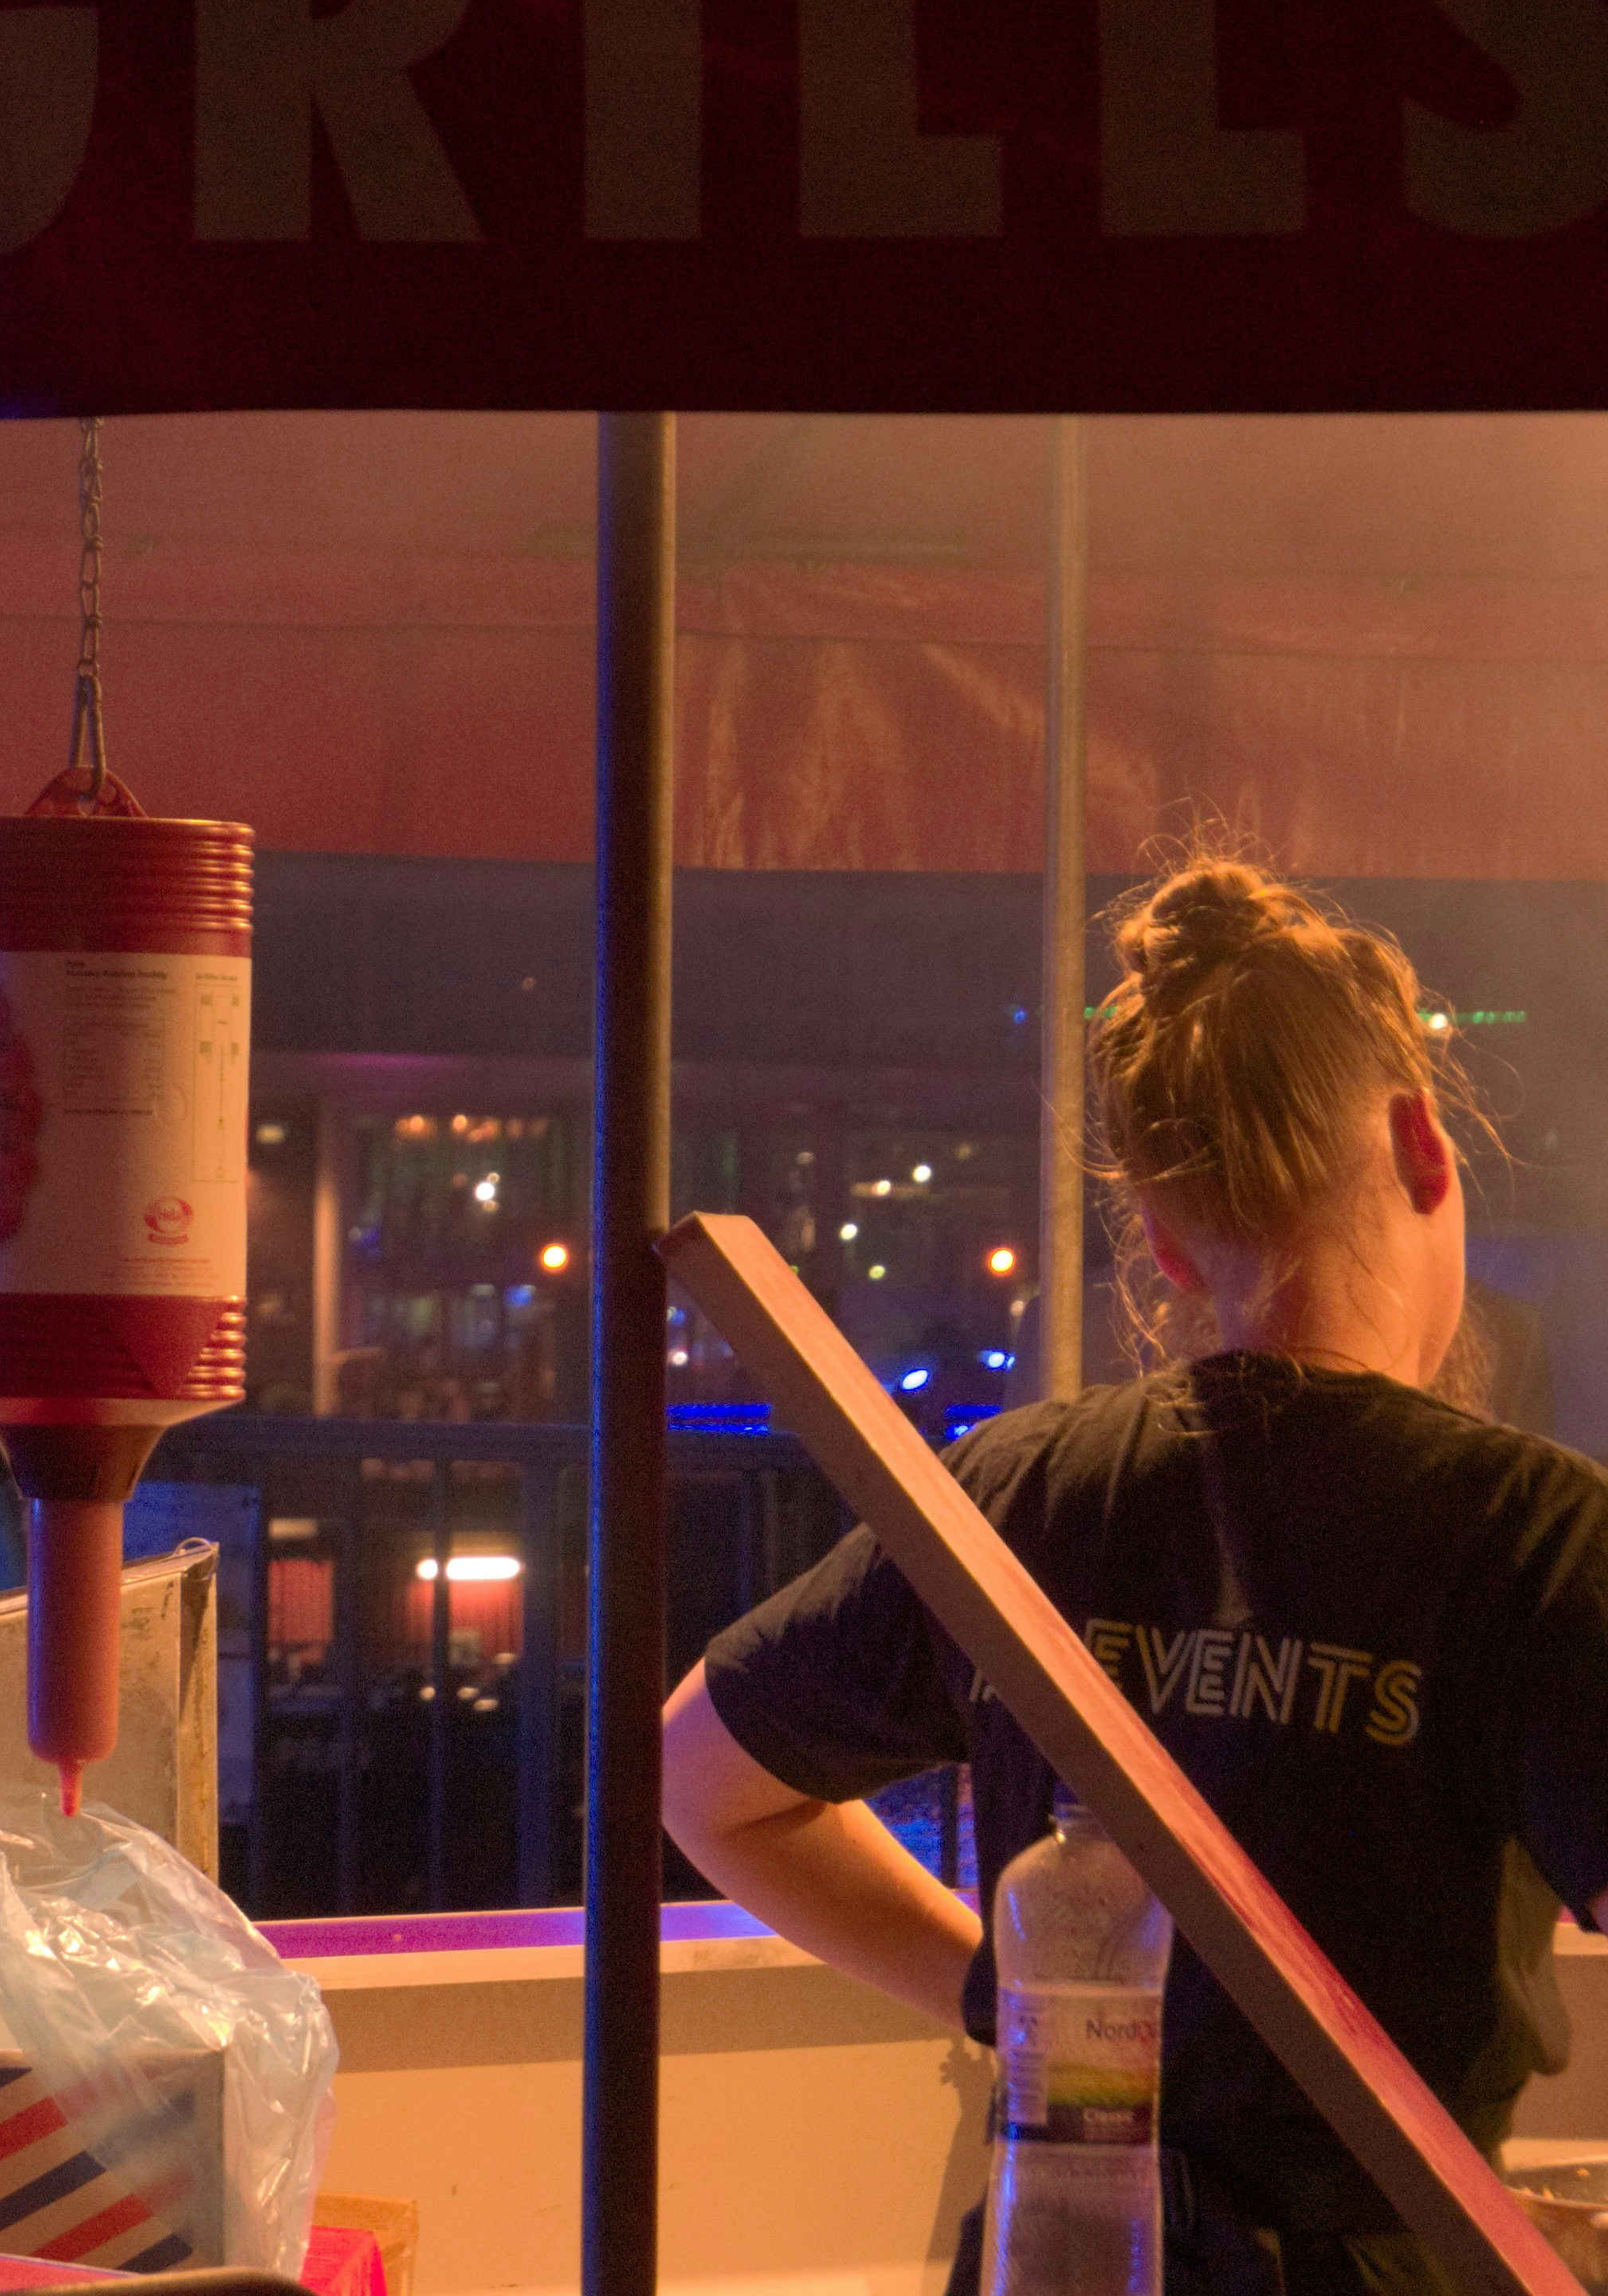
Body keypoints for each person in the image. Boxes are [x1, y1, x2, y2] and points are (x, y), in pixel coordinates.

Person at [666, 857, 1608, 2296]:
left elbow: (701, 1783)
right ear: (1424, 1144)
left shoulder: (1019, 1493)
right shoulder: (1533, 1538)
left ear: (1168, 1243)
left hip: (1059, 2261)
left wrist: (1010, 1993)